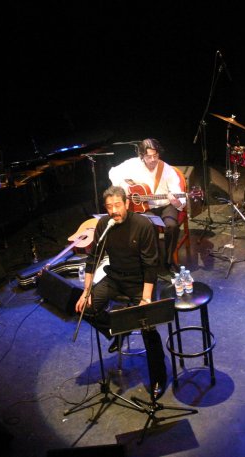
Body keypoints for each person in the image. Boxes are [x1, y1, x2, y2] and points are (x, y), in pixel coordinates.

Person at [74, 186, 167, 399]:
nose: (114, 210)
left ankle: (159, 378)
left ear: (126, 204)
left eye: (118, 205)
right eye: (109, 207)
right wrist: (86, 291)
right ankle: (118, 328)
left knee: (148, 327)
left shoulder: (142, 225)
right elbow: (93, 258)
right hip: (114, 278)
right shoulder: (104, 225)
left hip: (139, 282)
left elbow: (151, 265)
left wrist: (146, 299)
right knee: (84, 308)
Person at [108, 138, 185, 276]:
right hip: (144, 207)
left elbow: (178, 192)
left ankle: (169, 261)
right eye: (149, 157)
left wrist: (177, 202)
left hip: (166, 204)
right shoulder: (133, 164)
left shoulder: (166, 169)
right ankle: (153, 261)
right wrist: (125, 187)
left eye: (156, 156)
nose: (153, 159)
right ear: (142, 155)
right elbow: (113, 172)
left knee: (172, 226)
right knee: (148, 226)